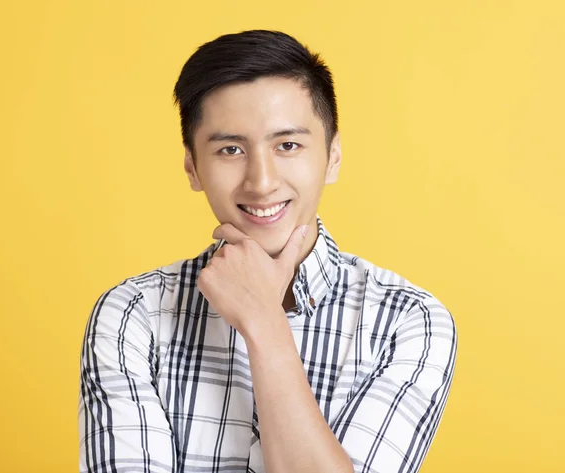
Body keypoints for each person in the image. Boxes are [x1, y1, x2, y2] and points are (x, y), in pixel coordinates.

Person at [78, 29, 457, 473]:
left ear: (333, 156)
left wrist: (264, 322)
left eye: (288, 145)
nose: (261, 181)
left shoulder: (409, 321)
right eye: (231, 149)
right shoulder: (132, 314)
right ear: (192, 167)